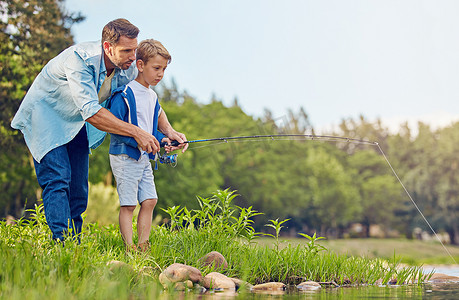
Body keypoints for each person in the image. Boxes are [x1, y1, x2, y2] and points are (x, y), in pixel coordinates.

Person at [10, 18, 187, 241]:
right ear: (107, 47)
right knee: (58, 179)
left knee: (79, 189)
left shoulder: (126, 67)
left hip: (75, 122)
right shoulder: (79, 60)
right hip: (46, 117)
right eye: (126, 51)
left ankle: (75, 244)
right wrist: (136, 131)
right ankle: (61, 244)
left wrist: (169, 131)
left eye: (134, 49)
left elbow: (149, 99)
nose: (133, 57)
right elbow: (91, 111)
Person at [107, 39, 184, 252]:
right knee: (129, 204)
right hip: (124, 156)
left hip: (143, 158)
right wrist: (138, 141)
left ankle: (144, 245)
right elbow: (114, 127)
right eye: (156, 68)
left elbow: (150, 130)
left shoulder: (153, 96)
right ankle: (129, 246)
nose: (160, 74)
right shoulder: (124, 93)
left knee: (150, 200)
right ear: (140, 65)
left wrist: (163, 140)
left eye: (164, 70)